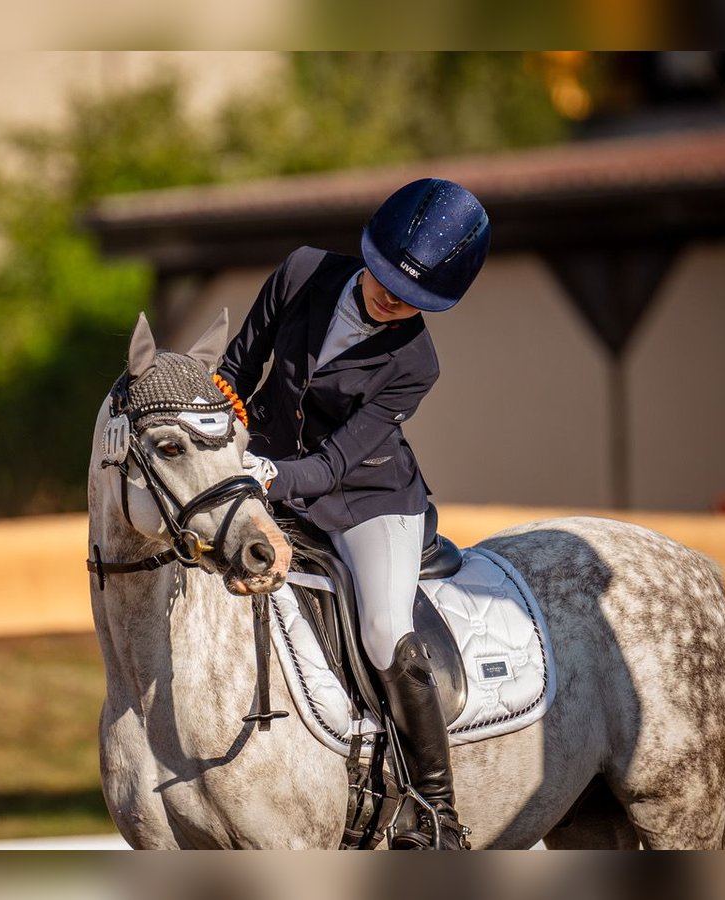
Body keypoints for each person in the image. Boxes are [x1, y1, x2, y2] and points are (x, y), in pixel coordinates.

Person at [216, 178, 490, 850]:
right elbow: (236, 368)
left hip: (368, 501)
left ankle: (436, 812)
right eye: (389, 277)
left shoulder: (415, 363)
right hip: (263, 467)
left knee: (383, 629)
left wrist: (266, 474)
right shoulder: (303, 269)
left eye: (414, 297)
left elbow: (335, 464)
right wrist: (217, 437)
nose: (393, 297)